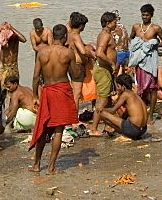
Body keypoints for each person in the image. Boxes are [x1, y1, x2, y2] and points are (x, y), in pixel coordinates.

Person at [29, 24, 83, 175]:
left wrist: (35, 95)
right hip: (61, 90)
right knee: (58, 129)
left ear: (52, 36)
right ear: (65, 37)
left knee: (43, 127)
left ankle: (37, 165)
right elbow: (76, 74)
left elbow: (35, 76)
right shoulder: (67, 53)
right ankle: (51, 168)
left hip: (46, 90)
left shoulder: (41, 52)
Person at [130, 3, 162, 118]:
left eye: (147, 15)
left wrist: (154, 46)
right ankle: (141, 112)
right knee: (140, 87)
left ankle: (150, 114)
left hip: (151, 60)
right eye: (143, 15)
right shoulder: (136, 27)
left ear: (151, 16)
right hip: (139, 61)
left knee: (152, 88)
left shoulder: (155, 28)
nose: (145, 17)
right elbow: (131, 39)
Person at [91, 73, 149, 140]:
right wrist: (115, 101)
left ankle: (124, 133)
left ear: (123, 87)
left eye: (118, 86)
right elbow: (123, 116)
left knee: (101, 113)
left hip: (134, 130)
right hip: (142, 130)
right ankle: (127, 133)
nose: (117, 89)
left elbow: (112, 110)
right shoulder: (135, 96)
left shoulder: (126, 94)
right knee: (103, 112)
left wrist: (101, 108)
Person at [88, 12, 118, 135]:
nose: (116, 24)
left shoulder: (106, 34)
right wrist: (111, 63)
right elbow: (99, 53)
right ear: (108, 24)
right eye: (114, 22)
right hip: (103, 70)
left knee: (109, 99)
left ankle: (108, 125)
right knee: (103, 100)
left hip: (106, 70)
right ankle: (93, 129)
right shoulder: (105, 35)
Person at [66, 11, 95, 110]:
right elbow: (82, 51)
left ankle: (72, 115)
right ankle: (74, 118)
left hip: (72, 65)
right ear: (81, 25)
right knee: (77, 93)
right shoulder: (76, 35)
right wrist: (94, 55)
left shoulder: (69, 34)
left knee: (74, 91)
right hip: (77, 66)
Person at [0, 21, 27, 88]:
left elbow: (24, 39)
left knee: (15, 87)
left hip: (13, 66)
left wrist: (12, 28)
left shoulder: (15, 38)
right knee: (2, 87)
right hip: (3, 67)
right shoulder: (0, 40)